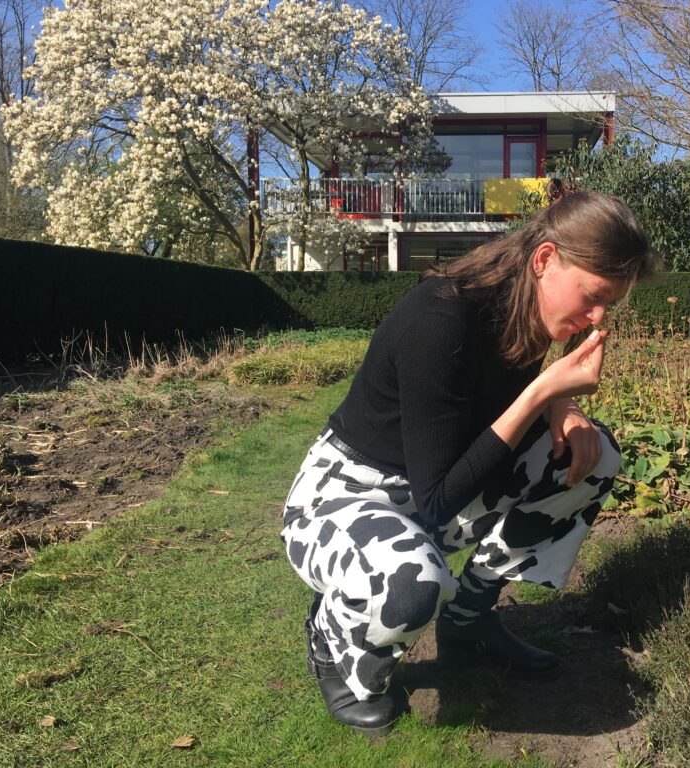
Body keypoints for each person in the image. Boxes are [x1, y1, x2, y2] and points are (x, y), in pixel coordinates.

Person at [280, 189, 658, 737]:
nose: (599, 318)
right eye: (594, 296)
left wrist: (563, 405)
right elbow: (436, 504)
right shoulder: (440, 319)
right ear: (546, 260)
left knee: (592, 457)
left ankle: (469, 620)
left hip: (433, 484)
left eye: (611, 305)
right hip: (344, 494)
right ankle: (331, 638)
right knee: (412, 583)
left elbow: (497, 400)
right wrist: (542, 394)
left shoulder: (524, 307)